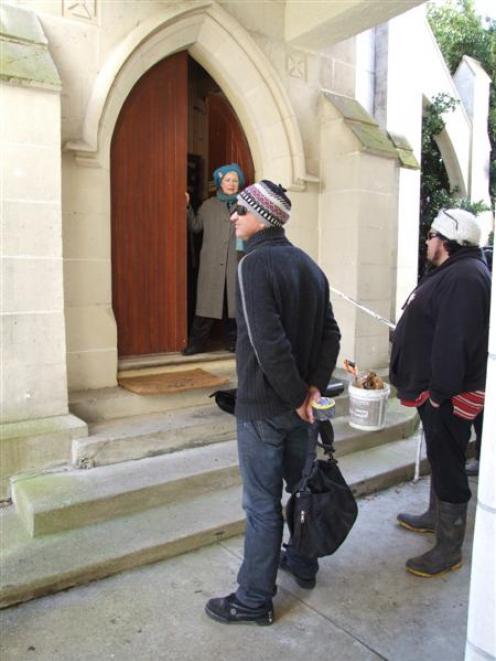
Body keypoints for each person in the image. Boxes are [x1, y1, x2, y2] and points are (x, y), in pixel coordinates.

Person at [205, 180, 341, 625]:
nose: (232, 216)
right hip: (299, 407)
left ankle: (252, 601)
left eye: (240, 209)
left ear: (263, 216)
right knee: (300, 489)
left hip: (267, 408)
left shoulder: (253, 264)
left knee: (261, 507)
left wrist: (301, 395)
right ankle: (302, 562)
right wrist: (313, 390)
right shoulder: (309, 266)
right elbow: (330, 335)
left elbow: (268, 344)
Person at [390, 208, 491, 577]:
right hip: (437, 390)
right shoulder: (456, 271)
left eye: (432, 236)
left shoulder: (464, 276)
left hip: (447, 393)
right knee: (440, 453)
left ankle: (448, 549)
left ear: (447, 241)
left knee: (449, 463)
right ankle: (435, 517)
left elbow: (455, 340)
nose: (427, 241)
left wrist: (439, 394)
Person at [183, 163, 245, 355]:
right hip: (211, 264)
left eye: (235, 180)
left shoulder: (245, 207)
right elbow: (195, 227)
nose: (232, 184)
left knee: (232, 306)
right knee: (207, 303)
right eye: (227, 180)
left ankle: (233, 342)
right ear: (220, 182)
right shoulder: (208, 205)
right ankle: (197, 343)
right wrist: (186, 206)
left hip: (235, 262)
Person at [465, 244, 492, 476]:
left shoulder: (475, 274)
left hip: (480, 366)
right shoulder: (481, 272)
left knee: (483, 416)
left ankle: (484, 459)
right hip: (481, 363)